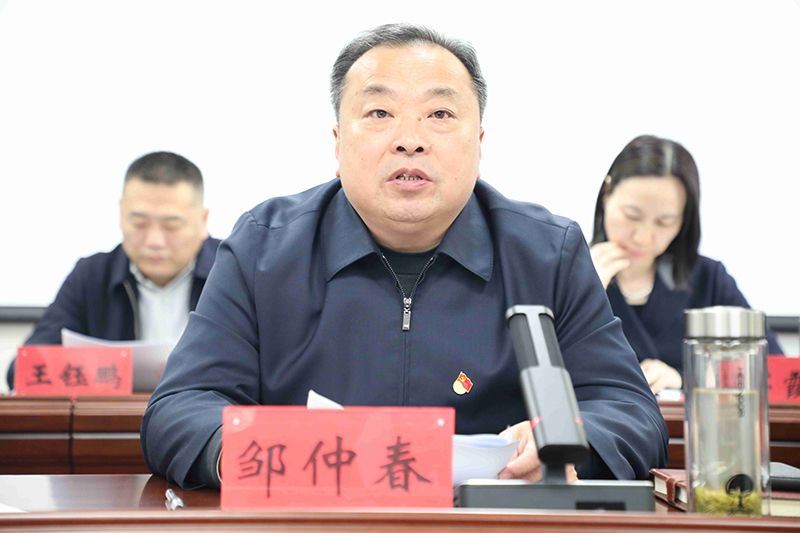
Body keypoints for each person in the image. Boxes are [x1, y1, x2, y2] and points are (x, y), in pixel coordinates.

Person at [141, 24, 668, 490]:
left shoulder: (546, 253)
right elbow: (180, 407)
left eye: (440, 114)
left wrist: (568, 442)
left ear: (479, 143)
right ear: (337, 143)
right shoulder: (265, 247)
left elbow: (630, 412)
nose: (410, 140)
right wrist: (259, 454)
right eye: (379, 113)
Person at [6, 151, 220, 389]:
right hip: (116, 413)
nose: (154, 241)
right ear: (121, 214)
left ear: (203, 220)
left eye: (171, 225)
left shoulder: (231, 273)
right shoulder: (92, 276)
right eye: (139, 223)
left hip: (207, 411)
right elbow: (23, 371)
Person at [590, 135, 782, 394]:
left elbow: (775, 369)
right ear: (607, 194)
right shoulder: (570, 274)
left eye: (664, 222)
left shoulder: (707, 279)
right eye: (632, 216)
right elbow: (547, 375)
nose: (643, 237)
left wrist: (689, 378)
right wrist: (586, 294)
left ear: (683, 220)